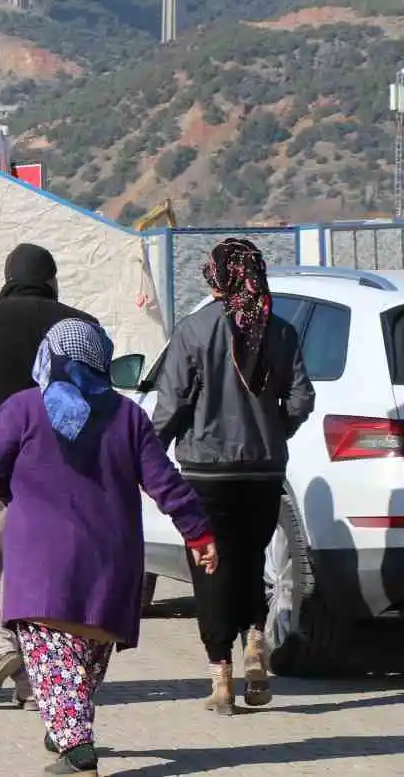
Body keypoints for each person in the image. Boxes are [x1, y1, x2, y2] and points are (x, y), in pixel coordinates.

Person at [0, 318, 219, 773]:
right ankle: (65, 724)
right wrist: (198, 532)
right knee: (84, 654)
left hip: (43, 560)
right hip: (112, 562)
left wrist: (15, 495)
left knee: (51, 651)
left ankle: (77, 752)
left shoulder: (25, 408)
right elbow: (165, 482)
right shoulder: (127, 416)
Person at [150, 237, 314, 713]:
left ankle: (221, 675)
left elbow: (173, 403)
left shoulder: (193, 331)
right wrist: (273, 430)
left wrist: (147, 454)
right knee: (250, 561)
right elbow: (301, 398)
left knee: (211, 570)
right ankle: (256, 640)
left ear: (218, 276)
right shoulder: (280, 333)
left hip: (206, 475)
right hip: (263, 473)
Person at [0, 243, 95, 707]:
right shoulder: (79, 325)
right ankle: (34, 684)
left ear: (9, 277)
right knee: (38, 574)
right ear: (52, 278)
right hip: (61, 471)